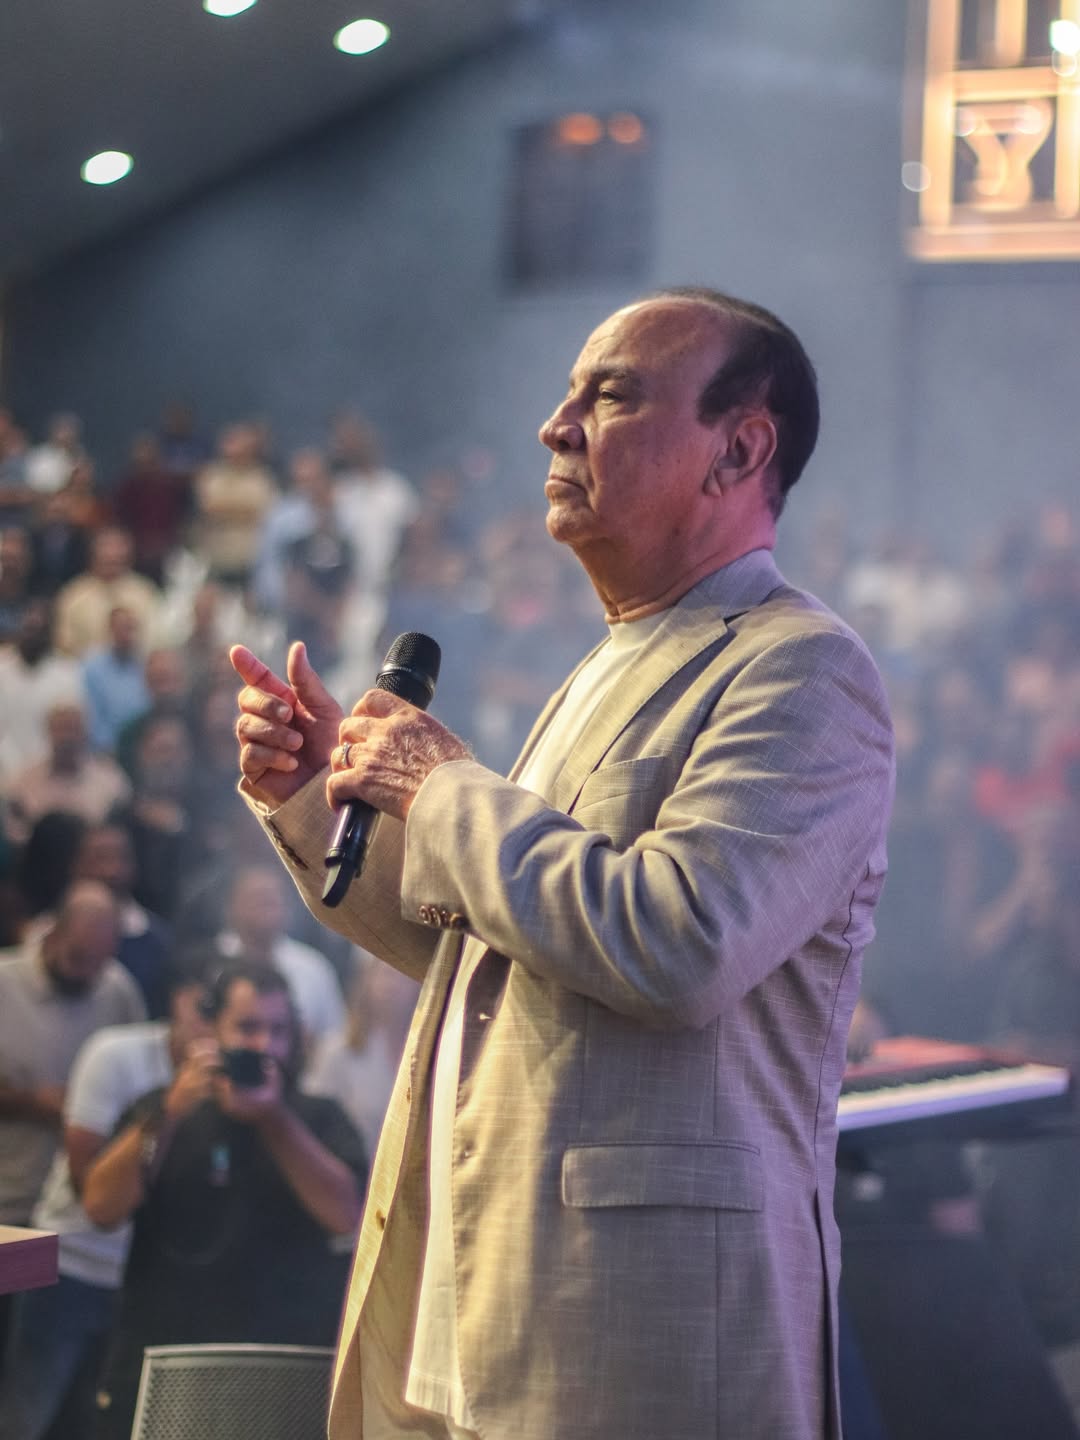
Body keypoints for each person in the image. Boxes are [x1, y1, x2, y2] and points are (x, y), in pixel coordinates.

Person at [232, 289, 895, 1439]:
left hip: (643, 1327)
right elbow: (493, 951)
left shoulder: (803, 668)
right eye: (570, 392)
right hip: (488, 1299)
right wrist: (315, 793)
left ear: (740, 450)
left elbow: (681, 943)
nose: (557, 425)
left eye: (614, 394)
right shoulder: (608, 663)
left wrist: (439, 785)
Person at [84, 960, 367, 1440]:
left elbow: (344, 1215)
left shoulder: (319, 1117)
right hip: (167, 1356)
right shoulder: (163, 1109)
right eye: (248, 1028)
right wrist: (169, 1114)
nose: (264, 1045)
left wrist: (272, 1117)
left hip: (281, 1366)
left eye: (278, 1030)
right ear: (212, 1029)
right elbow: (100, 1207)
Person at [0, 954, 211, 1440]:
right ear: (178, 1000)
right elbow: (86, 1186)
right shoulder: (114, 1051)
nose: (206, 1025)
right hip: (61, 1256)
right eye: (201, 1007)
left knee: (103, 1422)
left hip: (141, 1280)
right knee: (24, 1411)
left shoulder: (227, 1080)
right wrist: (171, 1109)